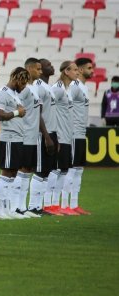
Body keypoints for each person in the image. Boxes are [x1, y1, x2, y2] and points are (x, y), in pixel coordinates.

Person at [14, 58, 53, 218]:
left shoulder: (33, 89)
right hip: (24, 135)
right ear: (28, 69)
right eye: (38, 69)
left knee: (27, 171)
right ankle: (16, 207)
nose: (41, 71)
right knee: (20, 171)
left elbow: (37, 113)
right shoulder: (22, 89)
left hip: (32, 135)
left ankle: (23, 207)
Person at [44, 61, 78, 214]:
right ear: (66, 71)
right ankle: (47, 203)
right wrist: (53, 135)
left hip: (67, 136)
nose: (77, 72)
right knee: (55, 170)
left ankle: (57, 204)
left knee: (63, 171)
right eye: (75, 70)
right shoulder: (56, 90)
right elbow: (48, 112)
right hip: (59, 136)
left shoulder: (67, 89)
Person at [0, 67, 29, 219]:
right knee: (6, 172)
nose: (24, 86)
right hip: (8, 138)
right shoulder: (3, 92)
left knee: (13, 173)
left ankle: (7, 209)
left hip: (17, 138)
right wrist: (17, 113)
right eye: (23, 83)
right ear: (16, 79)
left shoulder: (15, 95)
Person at [28, 58, 58, 215]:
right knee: (39, 171)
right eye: (48, 65)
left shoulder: (48, 87)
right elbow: (37, 113)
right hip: (42, 134)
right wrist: (46, 136)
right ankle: (33, 206)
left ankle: (39, 206)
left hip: (51, 132)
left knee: (46, 171)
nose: (51, 67)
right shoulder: (38, 87)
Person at [65, 57, 94, 215]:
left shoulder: (83, 87)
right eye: (89, 68)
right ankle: (65, 205)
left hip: (81, 133)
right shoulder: (74, 86)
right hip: (74, 133)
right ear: (81, 70)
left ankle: (74, 204)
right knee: (70, 169)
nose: (93, 71)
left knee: (78, 170)